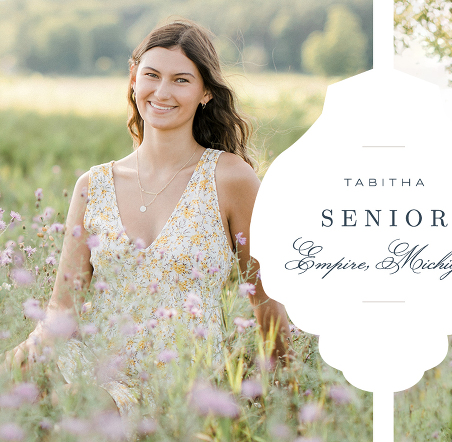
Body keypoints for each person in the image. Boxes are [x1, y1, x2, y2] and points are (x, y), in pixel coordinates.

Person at [5, 20, 291, 417]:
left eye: (181, 80)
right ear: (134, 79)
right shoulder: (94, 185)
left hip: (180, 382)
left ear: (205, 92)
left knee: (71, 410)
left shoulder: (230, 178)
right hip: (94, 364)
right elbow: (62, 309)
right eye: (152, 75)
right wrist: (15, 361)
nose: (161, 91)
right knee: (32, 399)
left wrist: (284, 400)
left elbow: (267, 298)